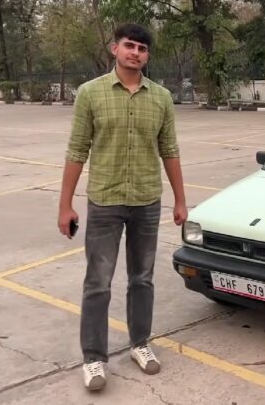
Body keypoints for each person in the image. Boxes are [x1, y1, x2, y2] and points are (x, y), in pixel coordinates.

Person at [57, 23, 188, 391]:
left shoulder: (161, 97)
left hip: (147, 201)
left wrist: (180, 199)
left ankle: (140, 343)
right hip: (105, 202)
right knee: (98, 282)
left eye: (142, 48)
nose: (136, 53)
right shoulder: (90, 94)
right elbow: (76, 150)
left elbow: (170, 150)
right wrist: (65, 205)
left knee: (142, 278)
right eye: (129, 46)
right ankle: (94, 358)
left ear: (147, 56)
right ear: (114, 49)